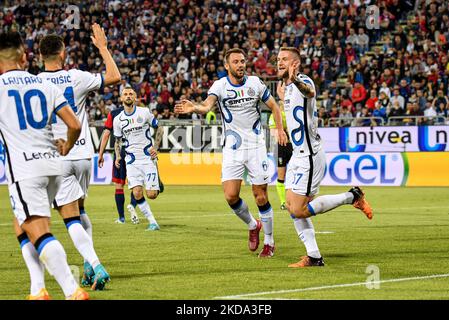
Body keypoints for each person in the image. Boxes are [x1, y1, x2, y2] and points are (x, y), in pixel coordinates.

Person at [175, 48, 288, 258]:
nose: (241, 65)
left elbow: (274, 106)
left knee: (260, 196)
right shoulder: (220, 86)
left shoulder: (255, 83)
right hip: (232, 148)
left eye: (243, 61)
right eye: (236, 62)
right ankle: (253, 225)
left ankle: (269, 242)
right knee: (230, 195)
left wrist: (280, 129)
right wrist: (195, 108)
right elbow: (207, 106)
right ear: (227, 66)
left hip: (255, 146)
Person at [0, 31, 88, 300]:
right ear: (23, 57)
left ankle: (72, 290)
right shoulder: (45, 85)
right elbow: (74, 124)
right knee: (21, 223)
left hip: (25, 171)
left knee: (39, 230)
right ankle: (37, 288)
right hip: (53, 167)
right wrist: (68, 145)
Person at [37, 24, 120, 289]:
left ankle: (96, 265)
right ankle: (88, 266)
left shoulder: (34, 83)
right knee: (81, 212)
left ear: (40, 56)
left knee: (70, 218)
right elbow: (114, 76)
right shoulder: (77, 77)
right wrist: (103, 48)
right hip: (84, 156)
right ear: (63, 55)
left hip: (58, 157)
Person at [276, 47, 373, 268]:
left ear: (295, 64)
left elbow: (309, 92)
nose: (279, 62)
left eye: (284, 59)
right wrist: (283, 97)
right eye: (278, 59)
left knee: (299, 209)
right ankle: (314, 256)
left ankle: (352, 196)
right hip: (298, 155)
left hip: (310, 156)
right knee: (292, 208)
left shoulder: (302, 81)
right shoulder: (288, 88)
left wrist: (295, 80)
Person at [113, 87, 162, 231]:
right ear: (121, 98)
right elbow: (117, 141)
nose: (128, 96)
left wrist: (156, 147)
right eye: (125, 94)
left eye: (131, 94)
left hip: (147, 158)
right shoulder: (118, 120)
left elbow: (160, 129)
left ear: (135, 98)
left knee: (152, 195)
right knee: (137, 193)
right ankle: (152, 222)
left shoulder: (144, 112)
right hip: (131, 161)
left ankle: (158, 182)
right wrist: (117, 157)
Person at [98, 106, 139, 224]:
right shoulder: (139, 111)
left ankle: (121, 218)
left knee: (119, 185)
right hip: (135, 151)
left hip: (120, 151)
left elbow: (106, 134)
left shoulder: (114, 113)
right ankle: (132, 205)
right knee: (136, 183)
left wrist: (100, 154)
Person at [268, 82, 292, 211]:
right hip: (281, 146)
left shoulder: (292, 113)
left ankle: (294, 199)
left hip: (293, 146)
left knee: (295, 174)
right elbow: (274, 133)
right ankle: (283, 202)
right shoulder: (274, 115)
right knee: (281, 176)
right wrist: (283, 131)